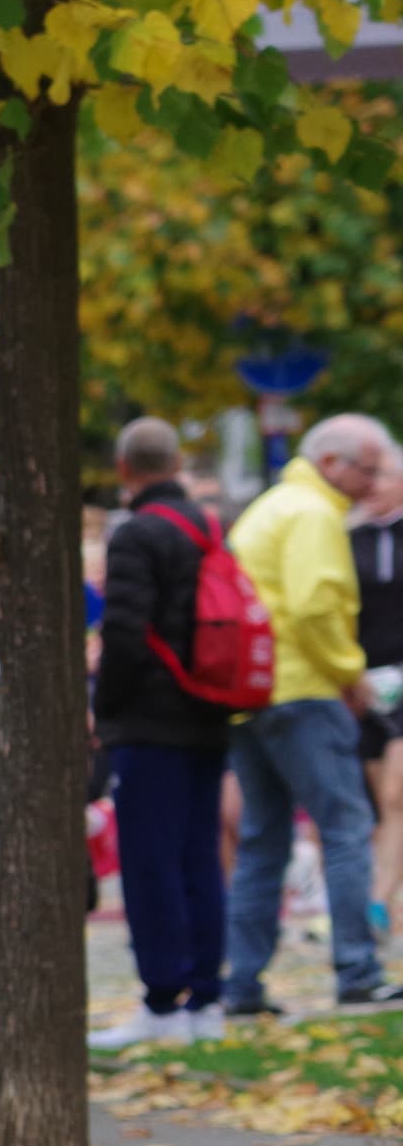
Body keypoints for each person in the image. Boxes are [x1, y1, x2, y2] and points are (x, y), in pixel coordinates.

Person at [223, 414, 399, 1014]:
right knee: (346, 829)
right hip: (303, 691)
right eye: (367, 469)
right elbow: (314, 606)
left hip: (253, 695)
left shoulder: (270, 507)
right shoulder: (314, 514)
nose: (372, 483)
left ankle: (242, 984)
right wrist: (350, 675)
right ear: (331, 463)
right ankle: (358, 970)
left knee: (262, 841)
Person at [92, 418, 235, 1049]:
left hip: (150, 721)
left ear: (126, 470)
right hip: (209, 709)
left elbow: (124, 632)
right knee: (199, 857)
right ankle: (205, 997)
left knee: (149, 862)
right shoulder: (208, 527)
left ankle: (160, 1001)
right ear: (175, 464)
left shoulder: (135, 536)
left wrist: (106, 704)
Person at [349, 462, 403, 930]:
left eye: (385, 476)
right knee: (377, 801)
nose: (374, 486)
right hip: (365, 681)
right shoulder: (350, 540)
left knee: (396, 791)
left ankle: (379, 900)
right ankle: (390, 902)